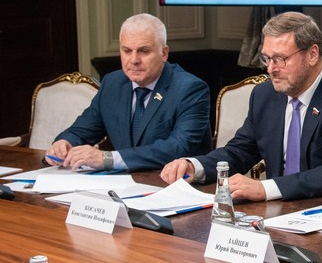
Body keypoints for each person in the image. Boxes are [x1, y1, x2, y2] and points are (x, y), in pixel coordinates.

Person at [160, 12, 322, 202]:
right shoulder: (265, 95)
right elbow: (240, 151)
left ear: (312, 54)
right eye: (267, 59)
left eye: (280, 59)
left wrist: (264, 188)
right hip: (281, 210)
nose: (270, 69)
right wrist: (195, 166)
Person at [46, 14, 211, 171]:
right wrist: (64, 143)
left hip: (173, 183)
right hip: (122, 183)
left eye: (144, 51)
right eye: (127, 51)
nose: (134, 60)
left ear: (164, 53)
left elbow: (179, 147)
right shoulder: (113, 83)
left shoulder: (190, 89)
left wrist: (108, 159)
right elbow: (82, 130)